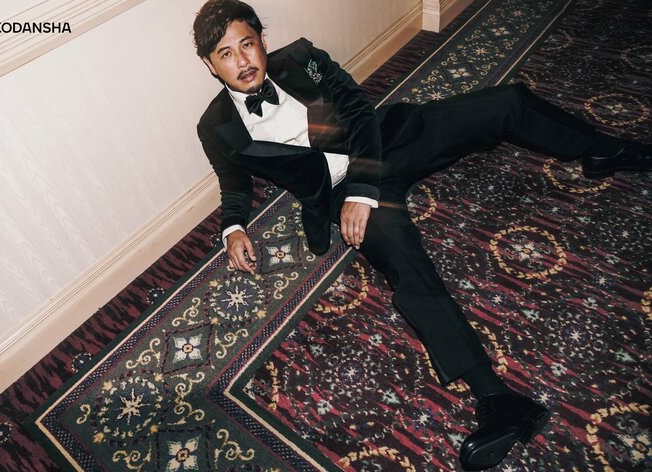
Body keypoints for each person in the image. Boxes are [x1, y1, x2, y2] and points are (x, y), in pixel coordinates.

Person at [192, 1, 651, 469]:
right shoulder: (215, 127)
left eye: (247, 44)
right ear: (210, 65)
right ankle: (497, 398)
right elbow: (234, 182)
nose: (243, 61)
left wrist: (365, 188)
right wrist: (234, 227)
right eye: (226, 54)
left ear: (262, 41)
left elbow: (360, 112)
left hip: (385, 142)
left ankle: (607, 150)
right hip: (335, 192)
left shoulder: (302, 57)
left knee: (507, 102)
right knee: (403, 261)